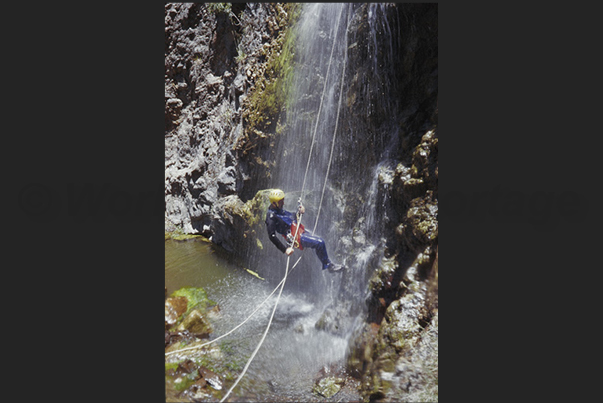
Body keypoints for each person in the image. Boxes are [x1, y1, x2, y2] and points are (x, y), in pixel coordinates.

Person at [265, 189, 343, 272]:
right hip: (295, 237)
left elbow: (291, 217)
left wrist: (299, 212)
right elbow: (272, 236)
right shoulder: (271, 216)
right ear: (274, 203)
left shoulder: (279, 210)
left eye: (282, 201)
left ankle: (326, 262)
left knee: (317, 242)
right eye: (281, 202)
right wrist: (285, 250)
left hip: (298, 230)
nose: (283, 203)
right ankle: (329, 266)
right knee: (320, 242)